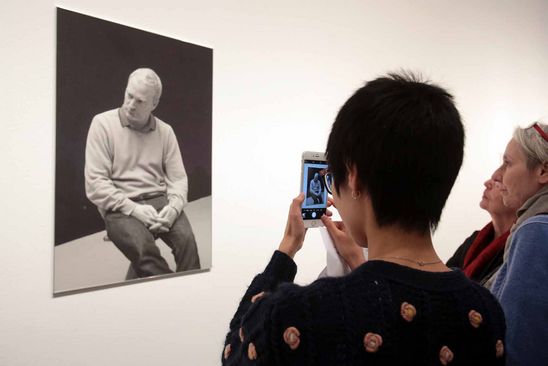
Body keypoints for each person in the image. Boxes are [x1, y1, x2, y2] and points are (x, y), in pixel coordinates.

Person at [221, 73, 505, 365]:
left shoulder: (298, 315)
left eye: (333, 178)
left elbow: (234, 353)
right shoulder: (485, 311)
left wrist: (288, 247)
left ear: (353, 177)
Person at [85, 68, 200, 279]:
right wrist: (135, 209)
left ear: (154, 104)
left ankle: (189, 295)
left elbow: (178, 178)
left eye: (140, 101)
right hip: (121, 207)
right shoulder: (101, 124)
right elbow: (95, 183)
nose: (130, 104)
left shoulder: (165, 131)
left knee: (188, 245)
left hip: (160, 202)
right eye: (129, 96)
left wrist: (173, 208)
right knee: (146, 253)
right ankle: (172, 300)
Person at [489, 122, 548, 365]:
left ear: (544, 171)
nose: (497, 175)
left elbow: (519, 348)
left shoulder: (536, 232)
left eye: (508, 163)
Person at [446, 173, 516, 286]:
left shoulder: (517, 247)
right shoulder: (474, 239)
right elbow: (444, 278)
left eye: (499, 181)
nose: (487, 183)